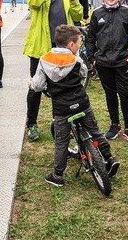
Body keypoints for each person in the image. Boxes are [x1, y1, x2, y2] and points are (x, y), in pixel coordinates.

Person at [29, 24, 119, 187]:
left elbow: (37, 85)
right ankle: (109, 158)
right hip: (82, 104)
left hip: (61, 109)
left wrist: (33, 85)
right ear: (71, 45)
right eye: (78, 43)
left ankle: (57, 175)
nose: (79, 46)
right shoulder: (76, 59)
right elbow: (84, 73)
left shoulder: (44, 60)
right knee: (96, 132)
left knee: (62, 142)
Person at [23, 0, 84, 141]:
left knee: (63, 87)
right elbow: (33, 2)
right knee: (36, 87)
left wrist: (73, 0)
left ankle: (60, 122)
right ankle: (31, 123)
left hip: (63, 48)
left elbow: (78, 14)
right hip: (41, 46)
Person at [86, 0, 128, 145]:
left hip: (122, 61)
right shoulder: (97, 13)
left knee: (125, 94)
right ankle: (114, 125)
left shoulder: (127, 12)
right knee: (110, 94)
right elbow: (91, 38)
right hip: (103, 62)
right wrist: (92, 58)